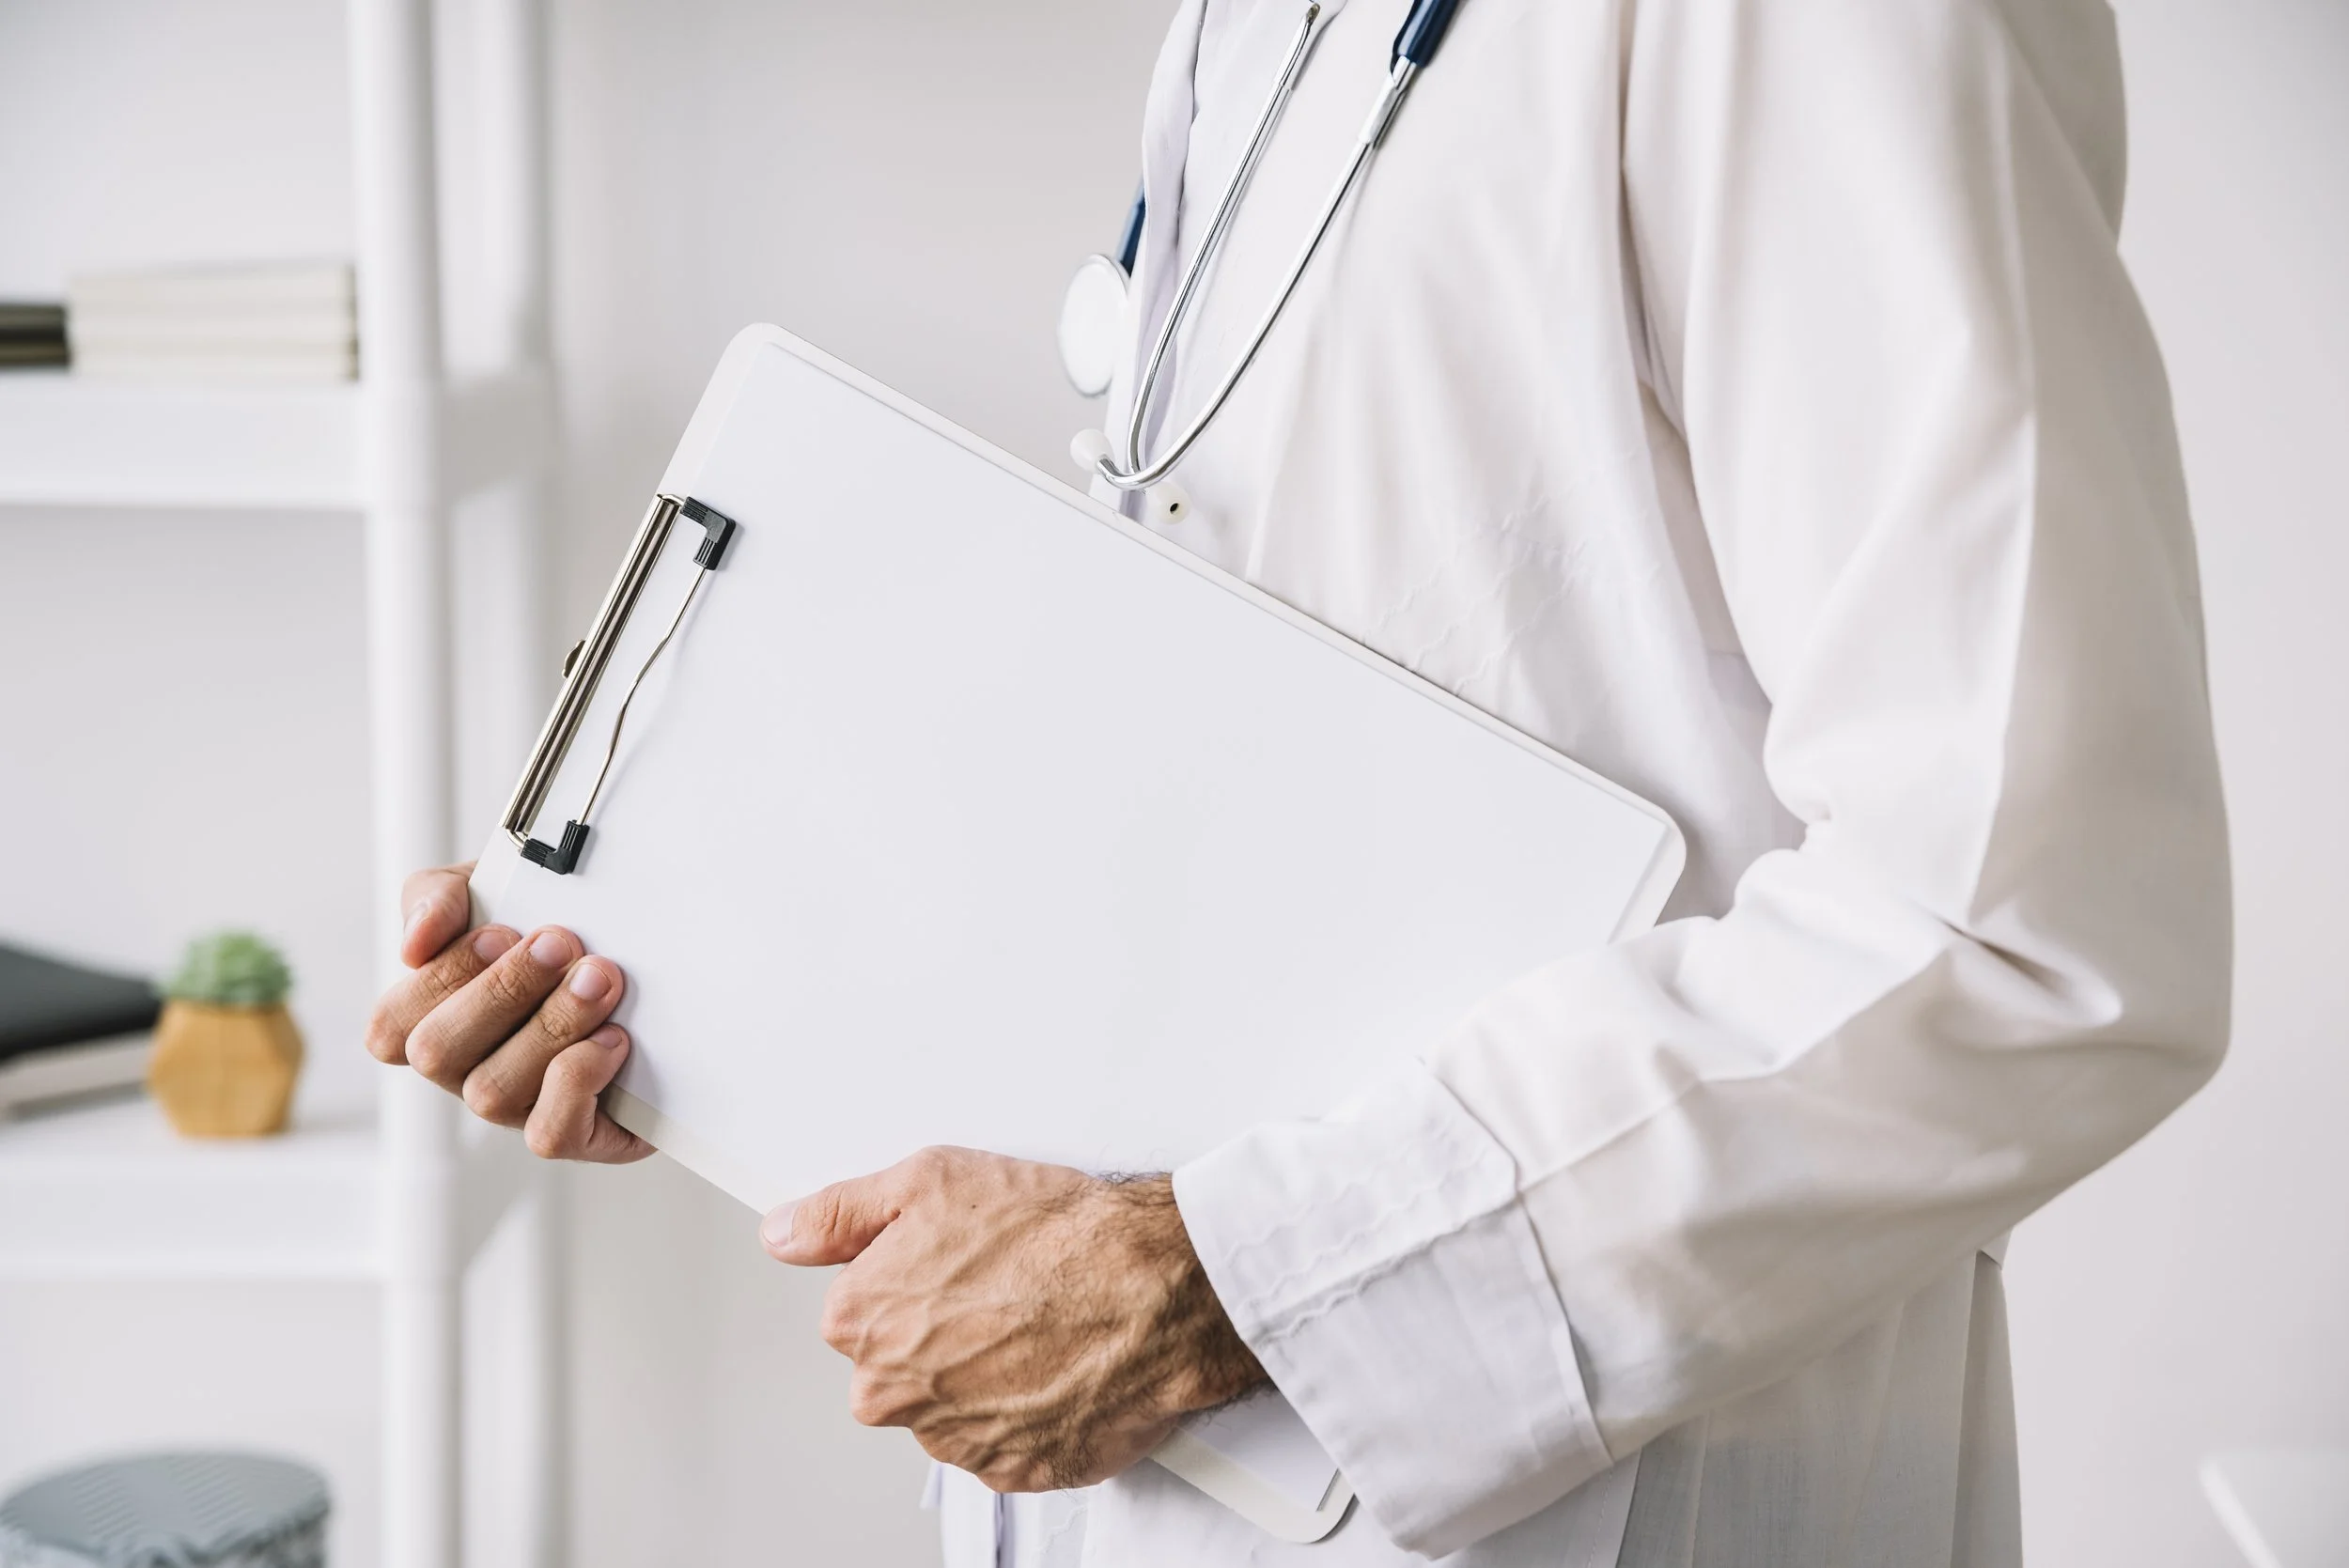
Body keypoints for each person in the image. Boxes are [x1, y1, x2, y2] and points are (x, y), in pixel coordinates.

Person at [364, 0, 2232, 1562]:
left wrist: (1231, 1283)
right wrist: (723, 997)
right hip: (1133, 1459)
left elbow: (2023, 921)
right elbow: (1285, 725)